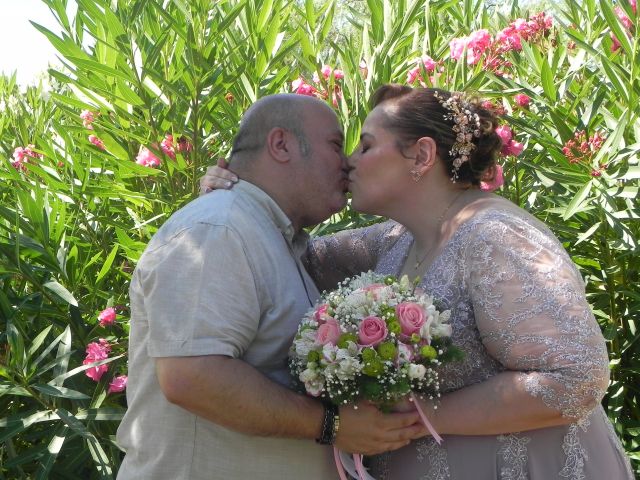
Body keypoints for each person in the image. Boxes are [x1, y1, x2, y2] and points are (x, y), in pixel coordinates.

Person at [201, 85, 634, 479]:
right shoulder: (395, 240)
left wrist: (417, 416)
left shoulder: (497, 235)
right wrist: (242, 197)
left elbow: (576, 377)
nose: (349, 160)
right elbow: (291, 255)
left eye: (367, 145)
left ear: (422, 156)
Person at [115, 93, 429, 480]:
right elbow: (191, 376)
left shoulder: (272, 236)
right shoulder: (218, 230)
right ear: (281, 144)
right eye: (335, 144)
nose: (348, 162)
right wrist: (332, 424)